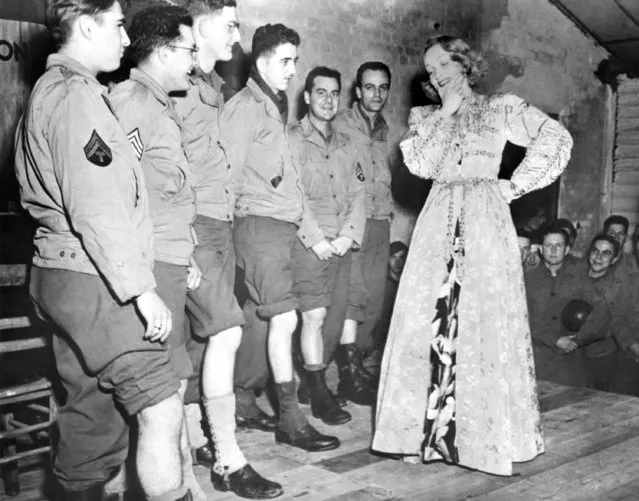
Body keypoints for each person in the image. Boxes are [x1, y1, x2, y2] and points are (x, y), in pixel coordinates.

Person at [372, 35, 573, 476]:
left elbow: (555, 137)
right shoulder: (424, 116)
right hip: (437, 222)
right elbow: (420, 166)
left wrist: (514, 186)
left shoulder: (500, 107)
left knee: (482, 320)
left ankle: (481, 441)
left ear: (464, 64)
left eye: (444, 63)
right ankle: (421, 435)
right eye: (430, 68)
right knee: (429, 319)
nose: (437, 74)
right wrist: (444, 116)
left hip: (486, 223)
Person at [14, 1, 189, 500]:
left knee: (91, 411)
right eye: (117, 26)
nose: (127, 39)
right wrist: (141, 290)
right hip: (93, 276)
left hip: (59, 274)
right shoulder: (75, 97)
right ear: (87, 26)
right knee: (161, 400)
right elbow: (97, 207)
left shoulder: (54, 92)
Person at [172, 1, 283, 498]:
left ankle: (201, 440)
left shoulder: (214, 88)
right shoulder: (174, 86)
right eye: (231, 26)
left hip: (218, 226)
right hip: (191, 228)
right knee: (228, 332)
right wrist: (186, 240)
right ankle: (227, 459)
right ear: (200, 25)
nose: (238, 40)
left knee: (202, 341)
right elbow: (159, 173)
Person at [222, 24, 339, 452]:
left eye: (295, 60)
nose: (293, 70)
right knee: (283, 318)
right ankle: (291, 419)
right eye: (285, 61)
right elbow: (227, 177)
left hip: (286, 225)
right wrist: (220, 240)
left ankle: (244, 399)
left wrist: (314, 236)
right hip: (256, 223)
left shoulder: (275, 107)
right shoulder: (243, 108)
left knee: (282, 314)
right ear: (261, 61)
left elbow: (289, 182)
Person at [109, 5, 209, 499]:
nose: (194, 63)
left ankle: (184, 484)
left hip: (169, 263)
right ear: (166, 49)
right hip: (148, 270)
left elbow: (164, 194)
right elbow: (116, 196)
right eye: (190, 51)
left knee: (172, 385)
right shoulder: (132, 103)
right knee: (160, 398)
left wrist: (185, 253)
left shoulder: (159, 105)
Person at [289, 66, 366, 425]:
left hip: (341, 243)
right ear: (306, 97)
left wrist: (349, 234)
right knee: (313, 315)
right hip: (310, 244)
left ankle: (313, 381)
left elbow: (357, 192)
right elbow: (291, 195)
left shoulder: (347, 143)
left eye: (334, 93)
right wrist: (315, 238)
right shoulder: (291, 140)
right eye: (320, 92)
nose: (328, 100)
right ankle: (318, 390)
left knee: (333, 316)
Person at [331, 61, 395, 405]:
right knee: (351, 299)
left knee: (373, 299)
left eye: (383, 87)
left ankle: (353, 369)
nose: (376, 94)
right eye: (369, 87)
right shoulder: (341, 124)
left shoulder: (383, 128)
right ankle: (345, 375)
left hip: (381, 220)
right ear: (358, 91)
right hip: (353, 221)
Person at [525, 226, 608, 388]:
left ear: (567, 249)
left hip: (571, 360)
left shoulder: (580, 278)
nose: (554, 250)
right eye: (549, 245)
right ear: (541, 249)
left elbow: (601, 310)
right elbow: (525, 316)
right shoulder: (527, 280)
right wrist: (555, 339)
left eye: (559, 245)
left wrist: (580, 338)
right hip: (538, 358)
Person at [585, 234, 631, 391]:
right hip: (571, 357)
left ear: (615, 259)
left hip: (601, 357)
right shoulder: (574, 277)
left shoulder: (619, 288)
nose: (598, 257)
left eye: (606, 253)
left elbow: (620, 323)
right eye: (595, 251)